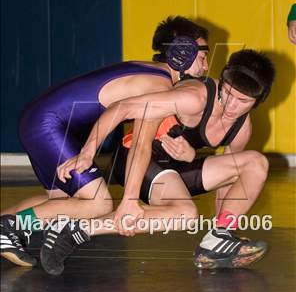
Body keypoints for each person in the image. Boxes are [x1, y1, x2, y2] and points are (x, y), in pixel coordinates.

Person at [39, 48, 275, 275]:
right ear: (222, 81)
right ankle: (72, 229)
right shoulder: (194, 97)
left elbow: (228, 185)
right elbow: (122, 108)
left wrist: (224, 225)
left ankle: (217, 239)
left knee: (255, 163)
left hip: (174, 167)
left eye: (243, 101)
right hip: (137, 158)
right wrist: (88, 153)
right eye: (229, 93)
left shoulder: (242, 128)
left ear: (258, 101)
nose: (232, 106)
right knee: (186, 215)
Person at [0, 16, 209, 267]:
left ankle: (6, 226)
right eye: (203, 56)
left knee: (63, 204)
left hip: (42, 120)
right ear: (182, 53)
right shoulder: (160, 86)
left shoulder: (150, 73)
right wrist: (128, 198)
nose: (206, 67)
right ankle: (9, 228)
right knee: (99, 203)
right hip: (49, 125)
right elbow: (140, 145)